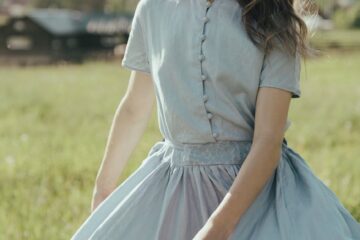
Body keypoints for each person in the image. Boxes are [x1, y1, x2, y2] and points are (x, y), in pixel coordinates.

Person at [70, 0, 360, 239]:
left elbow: (268, 139)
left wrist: (218, 227)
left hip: (255, 186)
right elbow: (134, 108)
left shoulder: (275, 20)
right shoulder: (152, 9)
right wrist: (104, 189)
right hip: (173, 184)